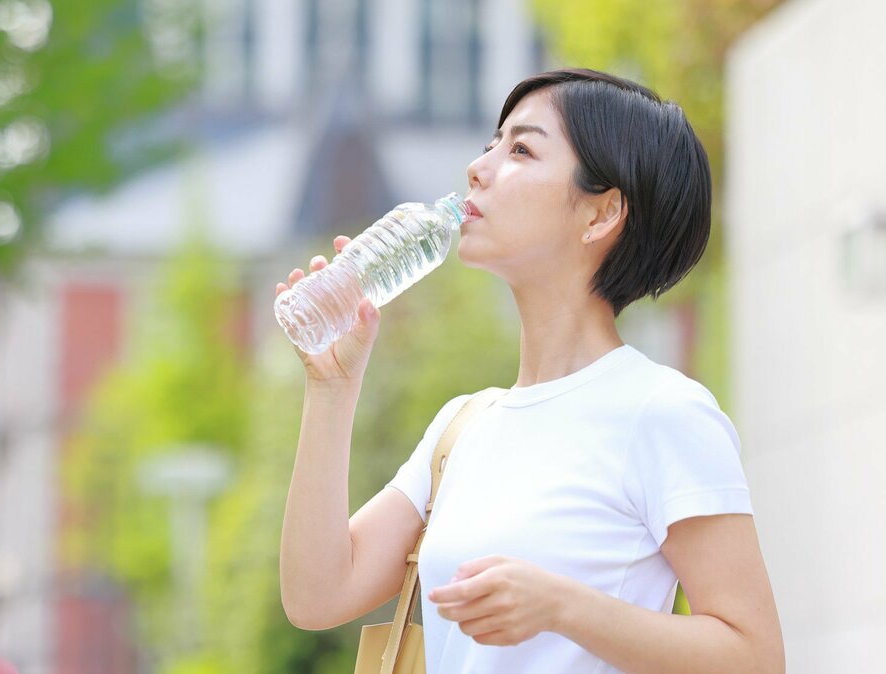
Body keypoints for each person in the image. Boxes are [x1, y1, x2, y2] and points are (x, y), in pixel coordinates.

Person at [276, 69, 784, 673]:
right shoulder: (462, 427)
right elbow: (317, 596)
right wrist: (330, 390)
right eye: (492, 143)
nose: (478, 167)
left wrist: (564, 607)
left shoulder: (663, 412)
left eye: (521, 149)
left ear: (601, 215)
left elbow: (754, 656)